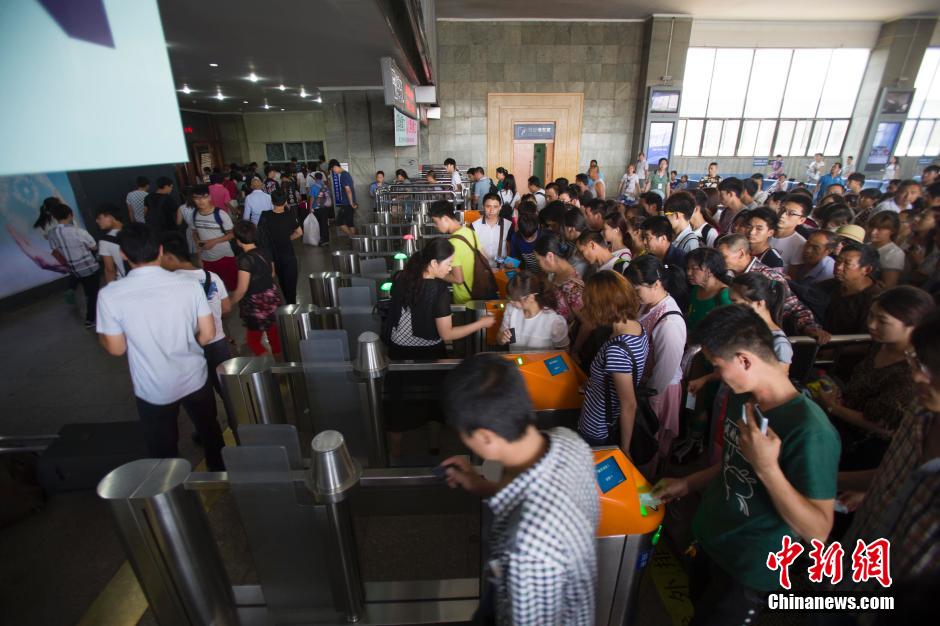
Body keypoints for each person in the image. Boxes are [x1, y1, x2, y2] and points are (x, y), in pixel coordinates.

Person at [653, 305, 840, 626]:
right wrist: (689, 482)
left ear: (744, 360)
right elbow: (734, 461)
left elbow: (818, 530)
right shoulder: (743, 396)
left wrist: (768, 468)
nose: (717, 375)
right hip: (711, 541)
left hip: (747, 567)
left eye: (717, 366)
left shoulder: (810, 430)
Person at [439, 353, 598, 625]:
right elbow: (527, 490)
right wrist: (481, 485)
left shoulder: (526, 546)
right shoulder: (568, 440)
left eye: (463, 435)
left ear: (485, 437)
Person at [96, 223, 225, 471]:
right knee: (210, 430)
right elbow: (208, 333)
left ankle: (172, 486)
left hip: (153, 387)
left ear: (123, 253)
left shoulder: (111, 295)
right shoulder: (189, 285)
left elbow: (116, 348)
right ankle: (219, 473)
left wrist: (104, 335)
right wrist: (186, 346)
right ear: (160, 249)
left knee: (163, 447)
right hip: (194, 377)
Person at [834, 310, 940, 600]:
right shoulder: (921, 410)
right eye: (917, 362)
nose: (916, 376)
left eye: (932, 369)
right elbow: (895, 473)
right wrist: (831, 482)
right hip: (860, 561)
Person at [817, 286, 934, 471]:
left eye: (882, 321)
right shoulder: (880, 344)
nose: (871, 325)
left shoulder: (912, 372)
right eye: (871, 316)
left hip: (862, 448)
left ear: (913, 326)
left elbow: (883, 427)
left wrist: (832, 407)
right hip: (840, 422)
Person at [384, 237, 495, 360]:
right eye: (449, 263)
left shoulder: (401, 277)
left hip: (397, 351)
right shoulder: (439, 290)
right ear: (434, 263)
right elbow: (447, 334)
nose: (450, 268)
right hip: (428, 354)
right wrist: (481, 323)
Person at [577, 270, 649, 453]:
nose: (585, 309)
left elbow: (628, 404)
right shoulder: (637, 327)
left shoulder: (617, 350)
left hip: (598, 427)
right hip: (602, 416)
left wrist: (625, 449)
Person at [623, 256, 686, 461]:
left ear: (656, 284)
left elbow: (664, 372)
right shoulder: (647, 303)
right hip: (643, 387)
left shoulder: (670, 323)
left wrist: (648, 398)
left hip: (658, 392)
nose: (633, 295)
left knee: (649, 442)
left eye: (636, 290)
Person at [717, 233, 830, 343]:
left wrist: (809, 327)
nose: (719, 260)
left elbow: (794, 307)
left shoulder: (768, 276)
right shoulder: (729, 274)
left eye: (723, 256)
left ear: (741, 253)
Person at [160, 233, 232, 399]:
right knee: (226, 390)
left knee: (200, 394)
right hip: (217, 342)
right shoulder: (212, 277)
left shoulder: (169, 283)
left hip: (189, 346)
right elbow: (226, 307)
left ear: (170, 257)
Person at [229, 220, 282, 357]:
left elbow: (242, 290)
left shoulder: (245, 260)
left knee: (253, 341)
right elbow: (272, 273)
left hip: (256, 305)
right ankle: (280, 363)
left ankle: (269, 365)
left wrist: (229, 303)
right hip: (270, 298)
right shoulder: (265, 251)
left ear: (238, 241)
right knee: (273, 335)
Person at [48, 203, 100, 327]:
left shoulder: (52, 233)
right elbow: (94, 246)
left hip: (74, 269)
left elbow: (54, 249)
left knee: (88, 291)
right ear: (70, 215)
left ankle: (91, 314)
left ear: (55, 217)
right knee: (93, 294)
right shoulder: (78, 231)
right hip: (89, 267)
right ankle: (90, 319)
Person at [817, 243, 883, 336]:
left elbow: (865, 338)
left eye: (847, 264)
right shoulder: (827, 286)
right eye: (838, 261)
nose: (839, 267)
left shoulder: (876, 300)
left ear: (866, 270)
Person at [729, 273, 793, 366]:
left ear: (759, 303)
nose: (731, 306)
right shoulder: (743, 330)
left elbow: (778, 375)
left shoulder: (778, 344)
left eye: (735, 302)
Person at [429, 200, 485, 304]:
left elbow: (458, 279)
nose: (435, 226)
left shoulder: (453, 243)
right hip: (480, 292)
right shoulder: (469, 231)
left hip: (464, 299)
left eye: (436, 222)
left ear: (445, 218)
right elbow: (484, 256)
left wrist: (436, 273)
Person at [497, 271, 569, 350]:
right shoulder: (511, 309)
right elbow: (499, 339)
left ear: (531, 297)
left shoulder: (553, 321)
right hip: (516, 357)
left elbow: (563, 350)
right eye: (509, 298)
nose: (510, 302)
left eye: (514, 299)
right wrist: (502, 338)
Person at [185, 184, 238, 291]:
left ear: (209, 197)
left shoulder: (220, 214)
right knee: (214, 288)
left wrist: (213, 242)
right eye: (196, 198)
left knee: (232, 286)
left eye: (203, 197)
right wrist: (199, 255)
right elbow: (195, 232)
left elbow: (232, 234)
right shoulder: (194, 214)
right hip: (206, 258)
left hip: (224, 256)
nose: (200, 201)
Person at [258, 190, 303, 305]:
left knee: (282, 281)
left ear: (272, 201)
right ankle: (291, 305)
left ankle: (287, 303)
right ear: (285, 202)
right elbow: (299, 232)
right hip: (288, 255)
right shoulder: (289, 215)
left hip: (273, 256)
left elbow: (261, 237)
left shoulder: (265, 215)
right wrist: (288, 238)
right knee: (291, 285)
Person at [535, 234, 585, 330]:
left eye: (538, 260)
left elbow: (587, 323)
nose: (539, 264)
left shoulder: (573, 286)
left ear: (550, 256)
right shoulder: (556, 273)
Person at [685, 247, 731, 331]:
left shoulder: (724, 295)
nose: (688, 273)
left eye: (694, 269)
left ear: (710, 271)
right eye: (688, 268)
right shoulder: (696, 288)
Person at [470, 192, 511, 267]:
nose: (491, 210)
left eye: (495, 207)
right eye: (488, 206)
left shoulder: (508, 225)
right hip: (481, 268)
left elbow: (510, 248)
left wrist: (507, 264)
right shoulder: (474, 225)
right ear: (483, 206)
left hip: (502, 268)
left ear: (500, 207)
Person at [867, 210, 905, 288]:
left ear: (893, 231)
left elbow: (888, 286)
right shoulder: (867, 246)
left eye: (880, 229)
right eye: (871, 227)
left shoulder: (894, 254)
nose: (873, 232)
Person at [771, 194, 809, 269]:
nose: (783, 215)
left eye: (791, 213)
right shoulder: (765, 231)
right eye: (782, 209)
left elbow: (792, 274)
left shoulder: (800, 245)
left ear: (801, 220)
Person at [94, 204, 126, 284]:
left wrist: (110, 288)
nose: (97, 221)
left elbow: (110, 270)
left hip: (125, 282)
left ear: (110, 217)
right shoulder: (136, 231)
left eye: (99, 218)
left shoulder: (105, 241)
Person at [328, 159, 358, 237]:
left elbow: (348, 190)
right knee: (350, 223)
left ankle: (353, 237)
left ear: (335, 167)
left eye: (333, 170)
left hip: (347, 203)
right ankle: (354, 240)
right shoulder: (346, 174)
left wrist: (351, 203)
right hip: (349, 203)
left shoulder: (344, 175)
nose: (334, 172)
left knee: (339, 222)